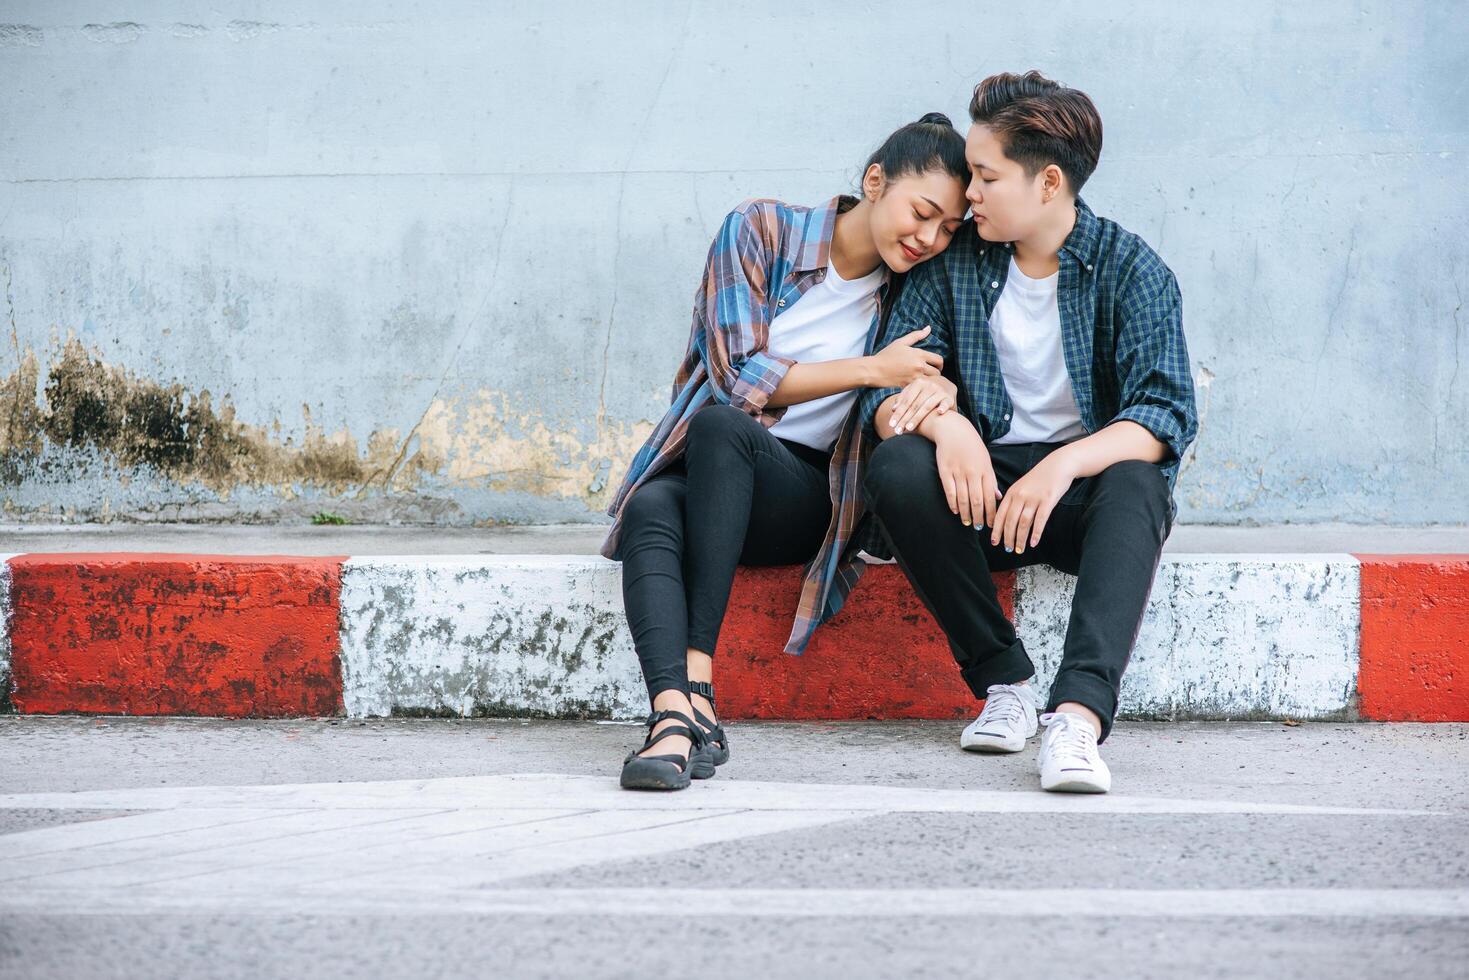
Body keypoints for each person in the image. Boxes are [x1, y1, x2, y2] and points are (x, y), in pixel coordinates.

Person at [602, 113, 971, 790]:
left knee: (719, 430)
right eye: (922, 213)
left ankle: (698, 682)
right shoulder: (759, 230)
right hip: (713, 476)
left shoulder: (919, 290)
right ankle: (674, 717)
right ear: (874, 181)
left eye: (948, 228)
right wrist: (870, 369)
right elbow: (737, 378)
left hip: (804, 497)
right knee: (653, 503)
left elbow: (925, 390)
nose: (928, 238)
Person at [859, 71, 1199, 794]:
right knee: (894, 468)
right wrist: (948, 431)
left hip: (1079, 504)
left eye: (984, 176)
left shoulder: (1129, 269)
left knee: (1137, 482)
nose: (968, 194)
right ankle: (1004, 684)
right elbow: (886, 399)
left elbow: (1164, 415)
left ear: (1047, 183)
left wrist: (1062, 466)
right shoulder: (951, 265)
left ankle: (1074, 719)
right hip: (976, 495)